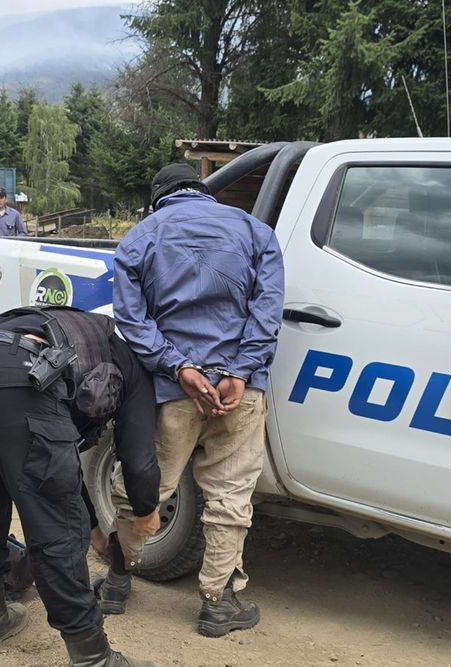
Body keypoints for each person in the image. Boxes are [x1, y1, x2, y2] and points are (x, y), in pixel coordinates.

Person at [105, 163, 285, 637]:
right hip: (239, 393)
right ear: (203, 193)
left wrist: (178, 368)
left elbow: (131, 319)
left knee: (143, 489)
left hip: (171, 392)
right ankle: (216, 605)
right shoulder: (256, 231)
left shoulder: (142, 236)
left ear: (159, 197)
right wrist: (240, 372)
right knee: (230, 495)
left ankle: (118, 581)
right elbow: (268, 312)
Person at [0, 304, 159, 665]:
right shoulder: (133, 362)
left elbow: (62, 469)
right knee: (57, 526)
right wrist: (146, 510)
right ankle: (93, 657)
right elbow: (138, 458)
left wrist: (96, 528)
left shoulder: (84, 331)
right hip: (17, 375)